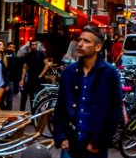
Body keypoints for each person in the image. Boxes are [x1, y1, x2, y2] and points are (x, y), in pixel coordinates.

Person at [53, 26, 124, 158]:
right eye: (80, 40)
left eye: (86, 41)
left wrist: (100, 142)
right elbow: (60, 108)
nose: (80, 44)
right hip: (70, 145)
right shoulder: (68, 73)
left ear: (98, 47)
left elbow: (115, 111)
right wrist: (61, 137)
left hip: (94, 148)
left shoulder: (109, 74)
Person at [20, 39, 52, 110]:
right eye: (32, 45)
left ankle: (34, 115)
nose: (34, 46)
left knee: (33, 97)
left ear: (37, 45)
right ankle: (21, 114)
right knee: (24, 97)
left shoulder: (41, 54)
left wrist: (40, 75)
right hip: (29, 78)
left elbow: (47, 65)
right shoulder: (28, 55)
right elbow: (24, 68)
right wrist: (22, 79)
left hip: (38, 78)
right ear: (30, 46)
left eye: (35, 45)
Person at [3, 42, 22, 110]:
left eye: (12, 47)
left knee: (9, 99)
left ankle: (8, 112)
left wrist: (17, 83)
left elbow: (18, 71)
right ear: (7, 47)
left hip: (11, 80)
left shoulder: (17, 58)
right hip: (1, 80)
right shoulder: (3, 57)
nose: (11, 48)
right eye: (9, 47)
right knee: (0, 99)